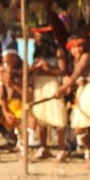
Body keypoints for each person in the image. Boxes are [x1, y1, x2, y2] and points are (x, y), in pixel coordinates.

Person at [55, 36, 90, 168]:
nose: (77, 50)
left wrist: (62, 89)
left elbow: (75, 75)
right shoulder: (76, 60)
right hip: (84, 92)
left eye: (79, 46)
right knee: (79, 128)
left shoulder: (86, 57)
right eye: (74, 48)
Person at [29, 28, 70, 162]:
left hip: (52, 84)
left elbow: (63, 71)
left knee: (57, 117)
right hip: (39, 85)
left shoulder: (58, 51)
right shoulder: (37, 51)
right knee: (41, 118)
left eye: (37, 35)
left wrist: (48, 69)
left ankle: (62, 149)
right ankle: (43, 147)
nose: (35, 38)